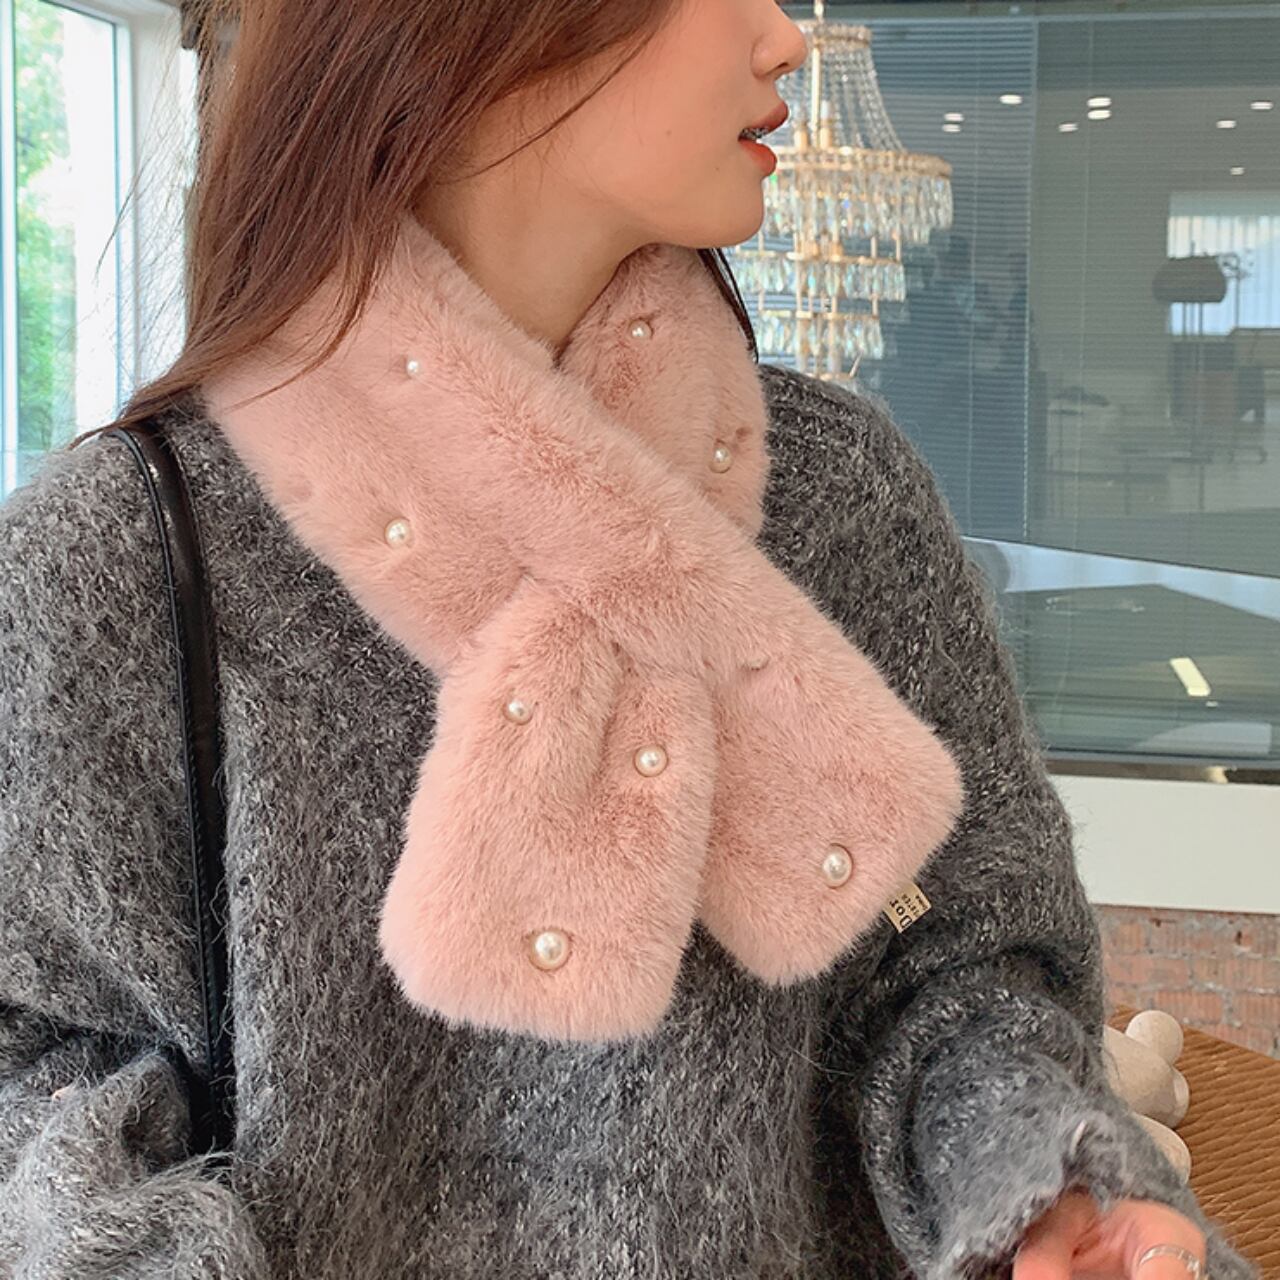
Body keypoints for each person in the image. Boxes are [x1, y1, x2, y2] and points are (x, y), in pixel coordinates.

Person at [0, 2, 1256, 1278]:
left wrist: (1037, 1181)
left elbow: (965, 972)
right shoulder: (117, 557)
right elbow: (32, 1066)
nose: (785, 37)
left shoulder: (837, 499)